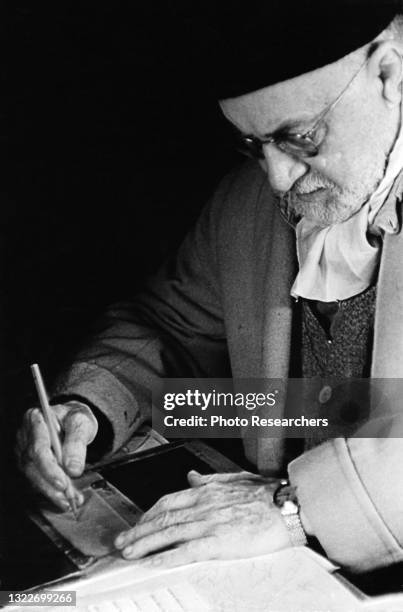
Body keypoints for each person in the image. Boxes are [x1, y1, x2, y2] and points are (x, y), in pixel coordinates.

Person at [16, 1, 403, 574]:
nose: (276, 177)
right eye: (252, 144)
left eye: (298, 137)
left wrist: (294, 508)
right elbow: (168, 328)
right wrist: (89, 407)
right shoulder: (249, 203)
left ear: (390, 73)